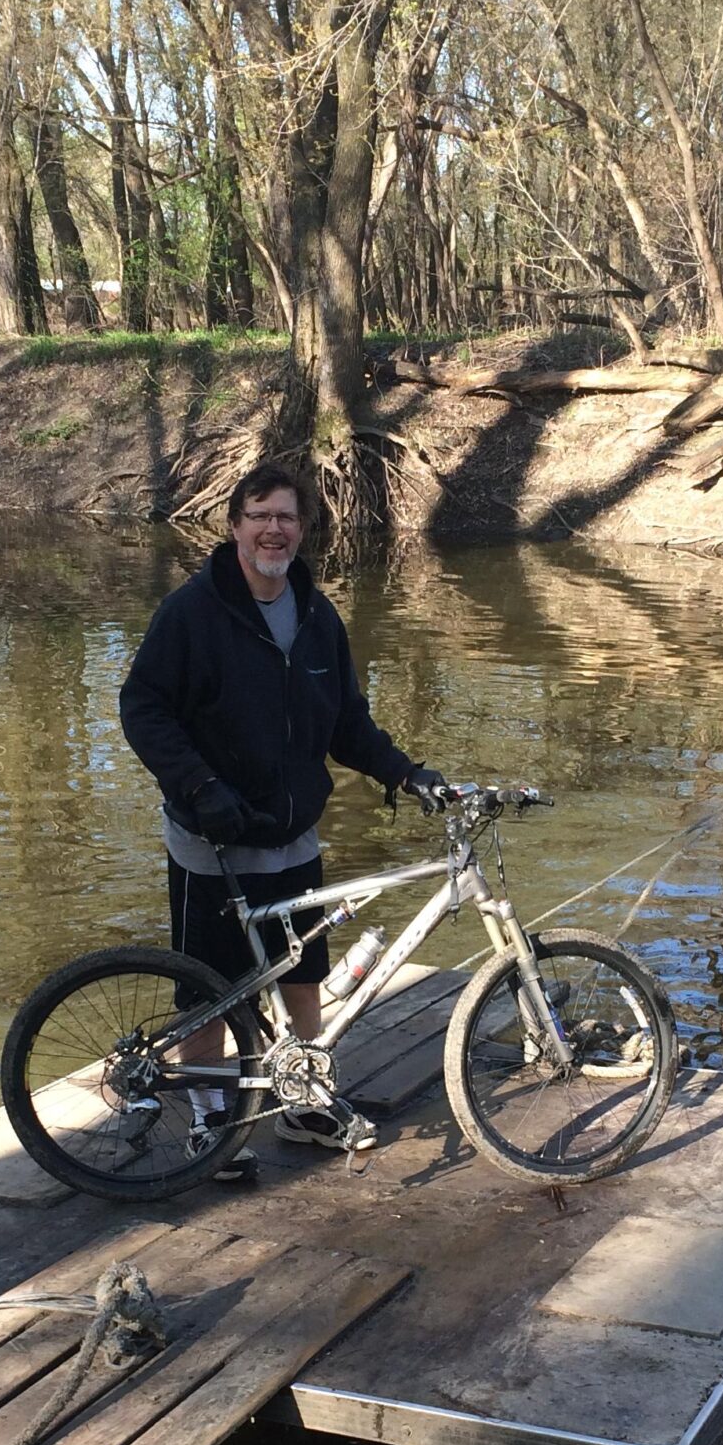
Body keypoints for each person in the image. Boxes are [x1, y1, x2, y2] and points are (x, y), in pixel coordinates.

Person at [118, 461, 444, 1181]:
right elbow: (141, 708)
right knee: (211, 991)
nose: (274, 529)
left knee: (304, 979)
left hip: (293, 835)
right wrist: (200, 786)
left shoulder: (318, 616)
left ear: (303, 530)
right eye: (260, 515)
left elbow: (348, 725)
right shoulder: (191, 614)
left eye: (287, 517)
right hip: (215, 844)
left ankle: (303, 1100)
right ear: (234, 525)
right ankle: (210, 1125)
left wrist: (407, 774)